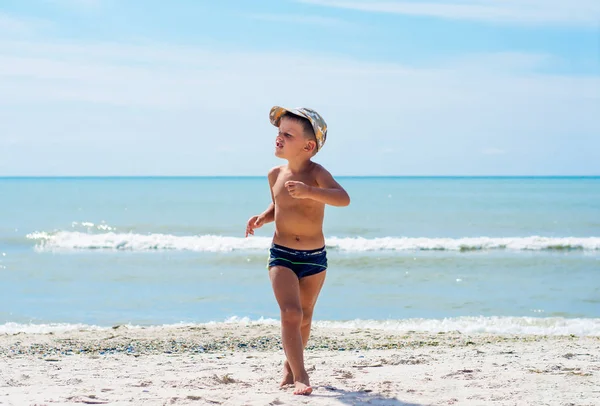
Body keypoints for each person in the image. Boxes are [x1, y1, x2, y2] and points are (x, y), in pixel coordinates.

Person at [245, 106, 350, 395]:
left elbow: (343, 198)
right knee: (290, 313)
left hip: (315, 258)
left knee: (304, 317)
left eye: (287, 134)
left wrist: (311, 192)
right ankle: (302, 374)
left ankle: (290, 366)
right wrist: (263, 218)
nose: (278, 138)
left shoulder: (317, 174)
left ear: (308, 146)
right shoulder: (274, 174)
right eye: (278, 133)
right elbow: (278, 204)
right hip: (282, 254)